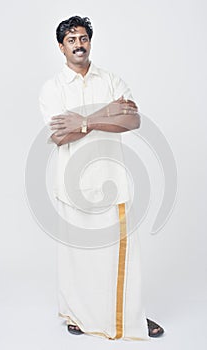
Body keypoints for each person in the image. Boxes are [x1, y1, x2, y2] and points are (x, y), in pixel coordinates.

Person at [39, 15, 164, 340]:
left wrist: (84, 120)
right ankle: (77, 315)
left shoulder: (110, 80)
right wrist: (107, 112)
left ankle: (131, 317)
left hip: (112, 182)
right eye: (71, 40)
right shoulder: (52, 88)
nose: (78, 44)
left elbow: (132, 121)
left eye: (83, 38)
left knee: (121, 257)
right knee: (76, 258)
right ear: (61, 47)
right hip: (72, 185)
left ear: (90, 42)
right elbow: (60, 137)